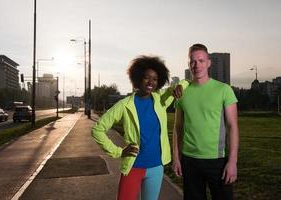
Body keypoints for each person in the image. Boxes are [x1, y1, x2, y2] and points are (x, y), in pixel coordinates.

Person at [91, 55, 187, 200]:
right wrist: (118, 151)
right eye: (147, 77)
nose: (151, 82)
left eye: (155, 79)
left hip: (156, 168)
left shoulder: (160, 100)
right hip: (133, 167)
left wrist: (179, 86)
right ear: (138, 78)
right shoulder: (124, 105)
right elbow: (97, 129)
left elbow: (184, 83)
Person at [172, 43, 239, 200]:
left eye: (201, 61)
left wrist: (232, 161)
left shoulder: (224, 89)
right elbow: (177, 127)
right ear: (189, 64)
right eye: (193, 61)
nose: (197, 65)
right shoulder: (182, 92)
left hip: (217, 161)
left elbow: (232, 126)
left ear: (208, 63)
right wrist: (176, 158)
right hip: (189, 160)